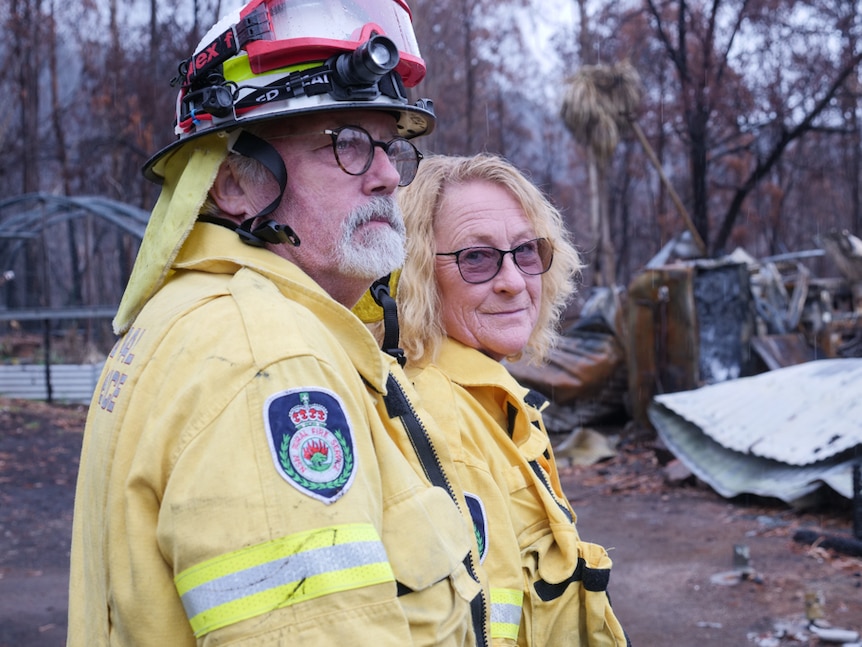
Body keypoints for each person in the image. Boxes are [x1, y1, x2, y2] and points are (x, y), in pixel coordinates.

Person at [67, 2, 489, 645]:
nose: (384, 177)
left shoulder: (203, 320)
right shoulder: (268, 361)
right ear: (236, 183)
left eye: (389, 148)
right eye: (346, 144)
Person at [383, 153, 630, 645]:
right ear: (415, 274)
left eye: (525, 251)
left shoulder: (495, 400)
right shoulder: (437, 418)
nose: (514, 281)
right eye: (476, 257)